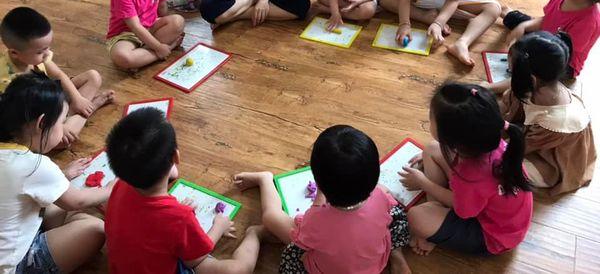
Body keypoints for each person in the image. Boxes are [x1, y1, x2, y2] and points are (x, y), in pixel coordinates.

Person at [104, 108, 265, 274]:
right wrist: (219, 226)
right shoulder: (180, 218)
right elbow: (194, 260)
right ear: (176, 157)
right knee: (237, 270)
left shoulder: (119, 187)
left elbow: (146, 221)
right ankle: (255, 234)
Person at [234, 125, 411, 274]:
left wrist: (319, 198)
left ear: (318, 181)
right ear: (375, 174)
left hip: (328, 266)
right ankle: (396, 255)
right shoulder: (381, 195)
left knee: (271, 218)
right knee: (398, 214)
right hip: (373, 264)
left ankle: (265, 180)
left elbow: (305, 234)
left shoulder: (316, 220)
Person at [401, 83, 533, 257]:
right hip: (497, 215)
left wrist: (423, 183)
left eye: (431, 116)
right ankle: (435, 215)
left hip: (492, 237)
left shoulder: (471, 177)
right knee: (432, 149)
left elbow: (461, 209)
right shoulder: (488, 141)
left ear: (451, 139)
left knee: (416, 216)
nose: (429, 118)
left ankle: (434, 231)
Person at [0, 73, 112, 273]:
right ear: (42, 123)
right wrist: (111, 188)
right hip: (12, 266)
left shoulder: (9, 152)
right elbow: (77, 201)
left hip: (14, 233)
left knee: (61, 209)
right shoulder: (33, 165)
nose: (63, 127)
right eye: (62, 122)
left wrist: (62, 175)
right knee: (94, 228)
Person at [0, 7, 114, 145]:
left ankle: (77, 111)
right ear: (14, 53)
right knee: (61, 140)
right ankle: (91, 107)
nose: (47, 53)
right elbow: (27, 121)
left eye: (48, 47)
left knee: (93, 77)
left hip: (51, 97)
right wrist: (59, 127)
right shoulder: (8, 82)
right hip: (35, 116)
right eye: (40, 51)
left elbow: (59, 74)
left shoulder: (38, 56)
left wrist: (77, 98)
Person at [500, 31, 596, 196]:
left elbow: (519, 148)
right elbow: (506, 105)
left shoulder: (556, 122)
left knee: (501, 167)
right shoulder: (537, 85)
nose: (510, 74)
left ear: (531, 79)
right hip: (532, 139)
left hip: (551, 160)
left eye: (512, 71)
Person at [494, 0, 600, 93]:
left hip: (561, 59)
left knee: (532, 72)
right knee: (518, 22)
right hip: (547, 34)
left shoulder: (588, 21)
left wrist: (526, 48)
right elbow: (547, 19)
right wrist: (524, 26)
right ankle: (510, 14)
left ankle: (493, 87)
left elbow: (560, 52)